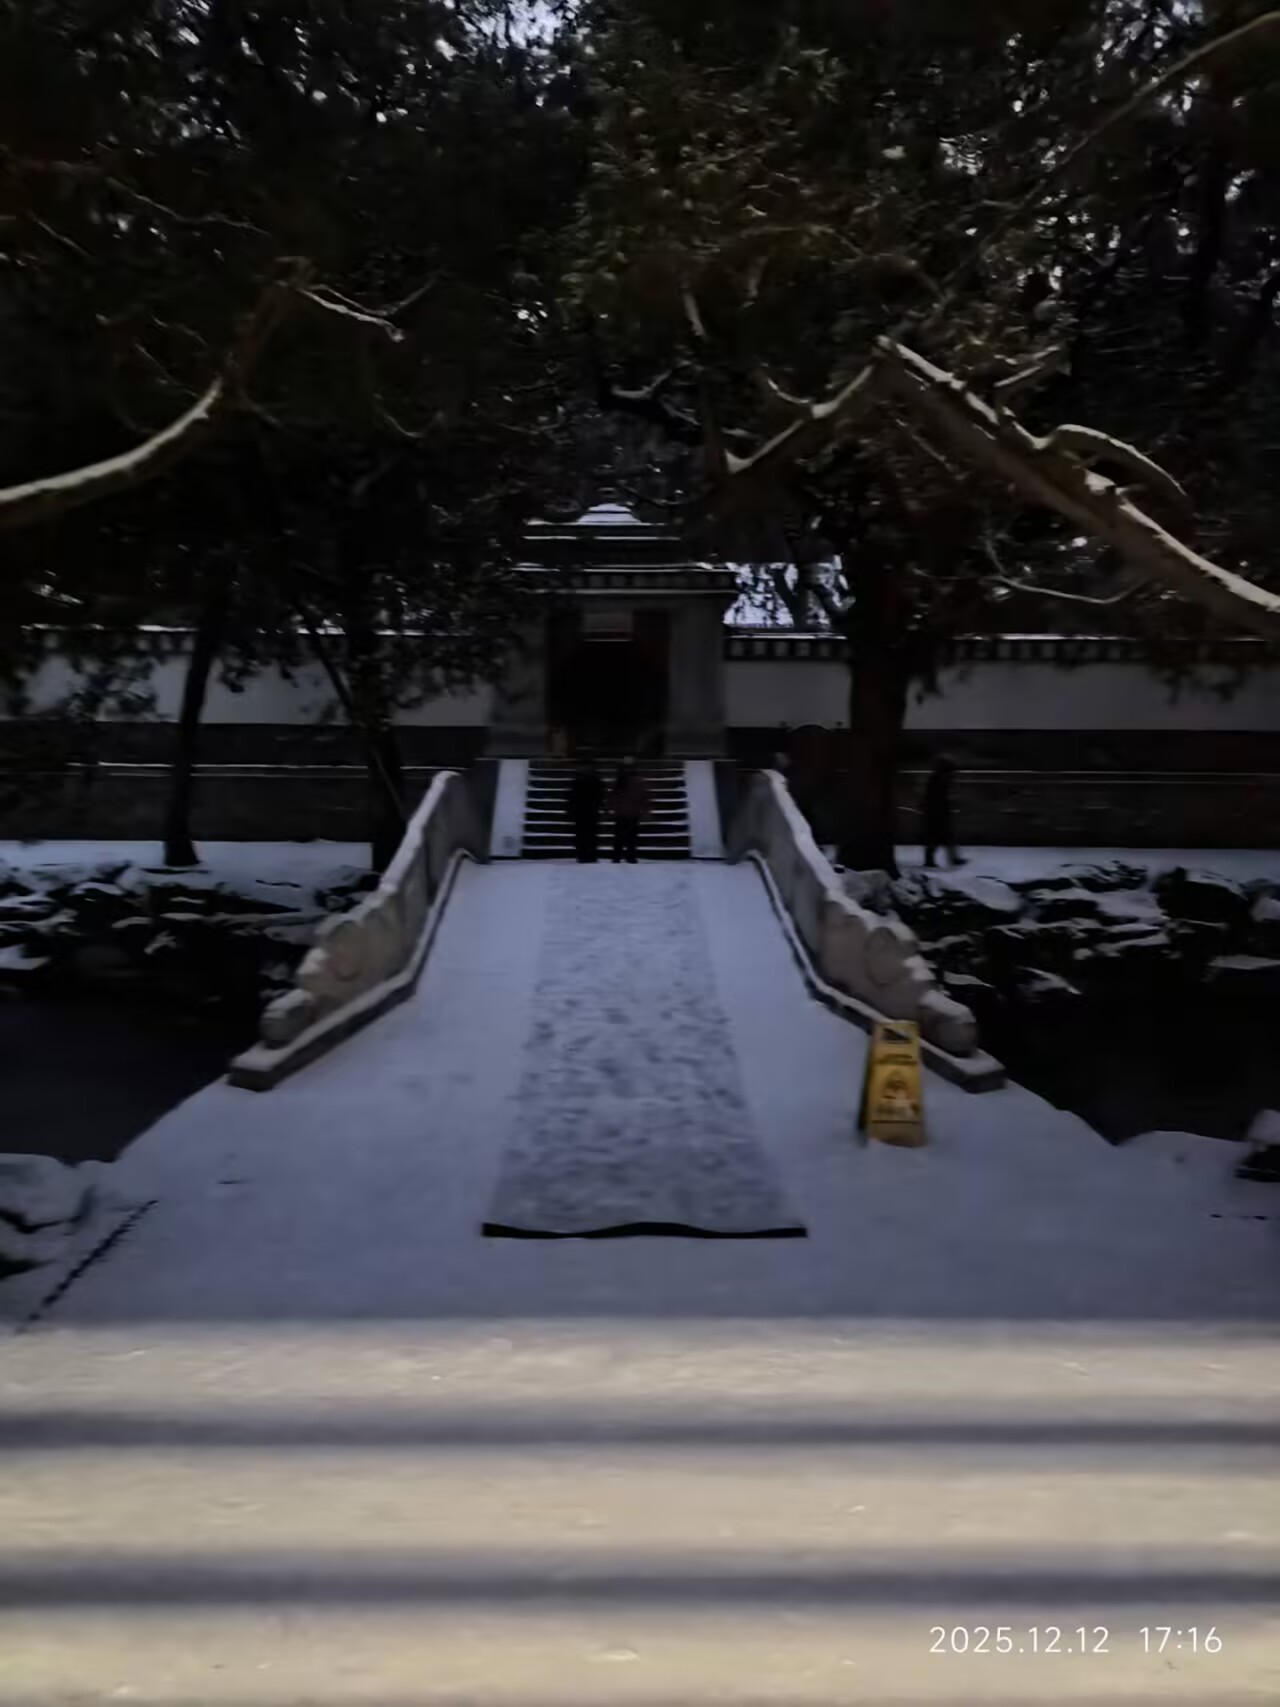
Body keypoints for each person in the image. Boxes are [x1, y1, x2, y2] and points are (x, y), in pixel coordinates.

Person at [922, 752, 968, 869]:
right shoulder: (939, 779)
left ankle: (941, 859)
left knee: (941, 836)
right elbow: (936, 797)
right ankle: (931, 859)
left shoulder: (938, 778)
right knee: (937, 836)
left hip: (937, 811)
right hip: (936, 811)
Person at [565, 754, 606, 863]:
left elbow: (601, 795)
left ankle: (587, 854)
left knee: (587, 834)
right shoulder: (585, 780)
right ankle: (585, 854)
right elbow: (571, 796)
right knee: (584, 834)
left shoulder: (590, 780)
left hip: (588, 809)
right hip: (584, 810)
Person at [610, 755, 650, 863]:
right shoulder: (635, 781)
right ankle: (627, 856)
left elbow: (644, 797)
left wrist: (612, 807)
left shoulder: (621, 781)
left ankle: (620, 856)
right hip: (628, 812)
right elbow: (644, 797)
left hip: (626, 812)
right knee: (628, 836)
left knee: (623, 836)